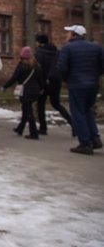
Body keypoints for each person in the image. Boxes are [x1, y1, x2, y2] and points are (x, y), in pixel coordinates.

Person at [57, 25, 104, 155]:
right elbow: (102, 66)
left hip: (77, 85)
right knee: (88, 111)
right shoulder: (96, 47)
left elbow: (61, 68)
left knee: (78, 113)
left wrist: (66, 79)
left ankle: (85, 143)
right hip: (93, 84)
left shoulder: (67, 48)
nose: (66, 35)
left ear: (74, 34)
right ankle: (95, 138)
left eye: (68, 33)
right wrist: (94, 75)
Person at [1, 46, 44, 139]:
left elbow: (14, 78)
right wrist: (41, 88)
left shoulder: (22, 65)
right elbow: (41, 79)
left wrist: (5, 86)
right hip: (35, 90)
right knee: (26, 109)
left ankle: (34, 133)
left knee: (28, 111)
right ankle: (20, 128)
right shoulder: (36, 65)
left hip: (26, 91)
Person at [34, 33, 72, 135]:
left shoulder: (39, 53)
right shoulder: (57, 52)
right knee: (56, 104)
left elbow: (38, 69)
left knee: (40, 104)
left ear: (39, 42)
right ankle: (74, 124)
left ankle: (43, 128)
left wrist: (39, 83)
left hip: (44, 81)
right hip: (56, 80)